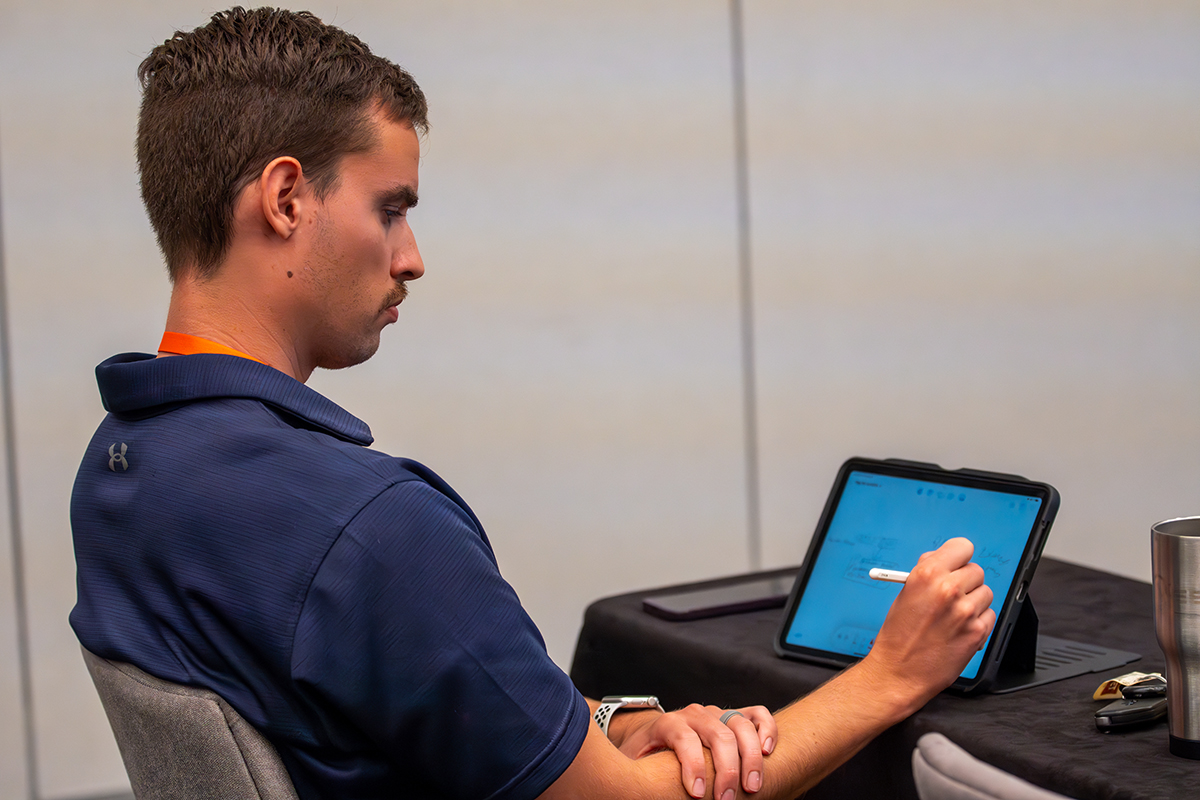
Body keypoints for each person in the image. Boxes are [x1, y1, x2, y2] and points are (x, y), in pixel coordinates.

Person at [69, 8, 995, 800]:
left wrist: (595, 728)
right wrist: (891, 676)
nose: (412, 256)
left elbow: (372, 697)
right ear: (283, 199)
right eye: (391, 209)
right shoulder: (369, 532)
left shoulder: (123, 467)